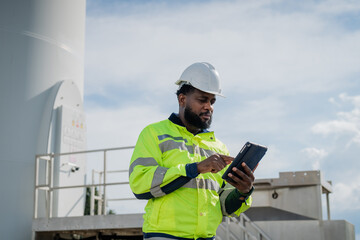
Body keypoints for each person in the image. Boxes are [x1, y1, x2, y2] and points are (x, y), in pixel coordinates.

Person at [129, 62, 255, 240]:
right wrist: (195, 168)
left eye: (212, 101)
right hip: (164, 236)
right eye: (202, 100)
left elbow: (225, 206)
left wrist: (243, 191)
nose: (209, 107)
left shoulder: (218, 148)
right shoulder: (154, 134)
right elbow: (140, 185)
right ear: (182, 99)